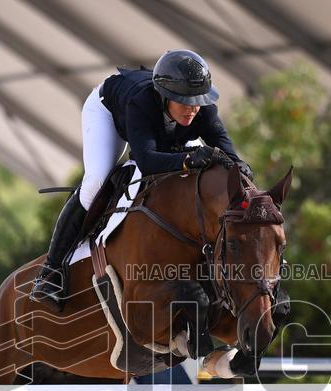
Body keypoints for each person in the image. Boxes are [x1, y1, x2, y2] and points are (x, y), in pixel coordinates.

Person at [30, 49, 253, 309]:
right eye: (184, 101)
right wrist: (187, 159)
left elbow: (230, 156)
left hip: (157, 129)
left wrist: (242, 170)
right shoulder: (141, 103)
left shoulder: (204, 111)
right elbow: (146, 161)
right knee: (96, 181)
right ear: (165, 96)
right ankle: (50, 273)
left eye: (197, 100)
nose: (193, 108)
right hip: (109, 112)